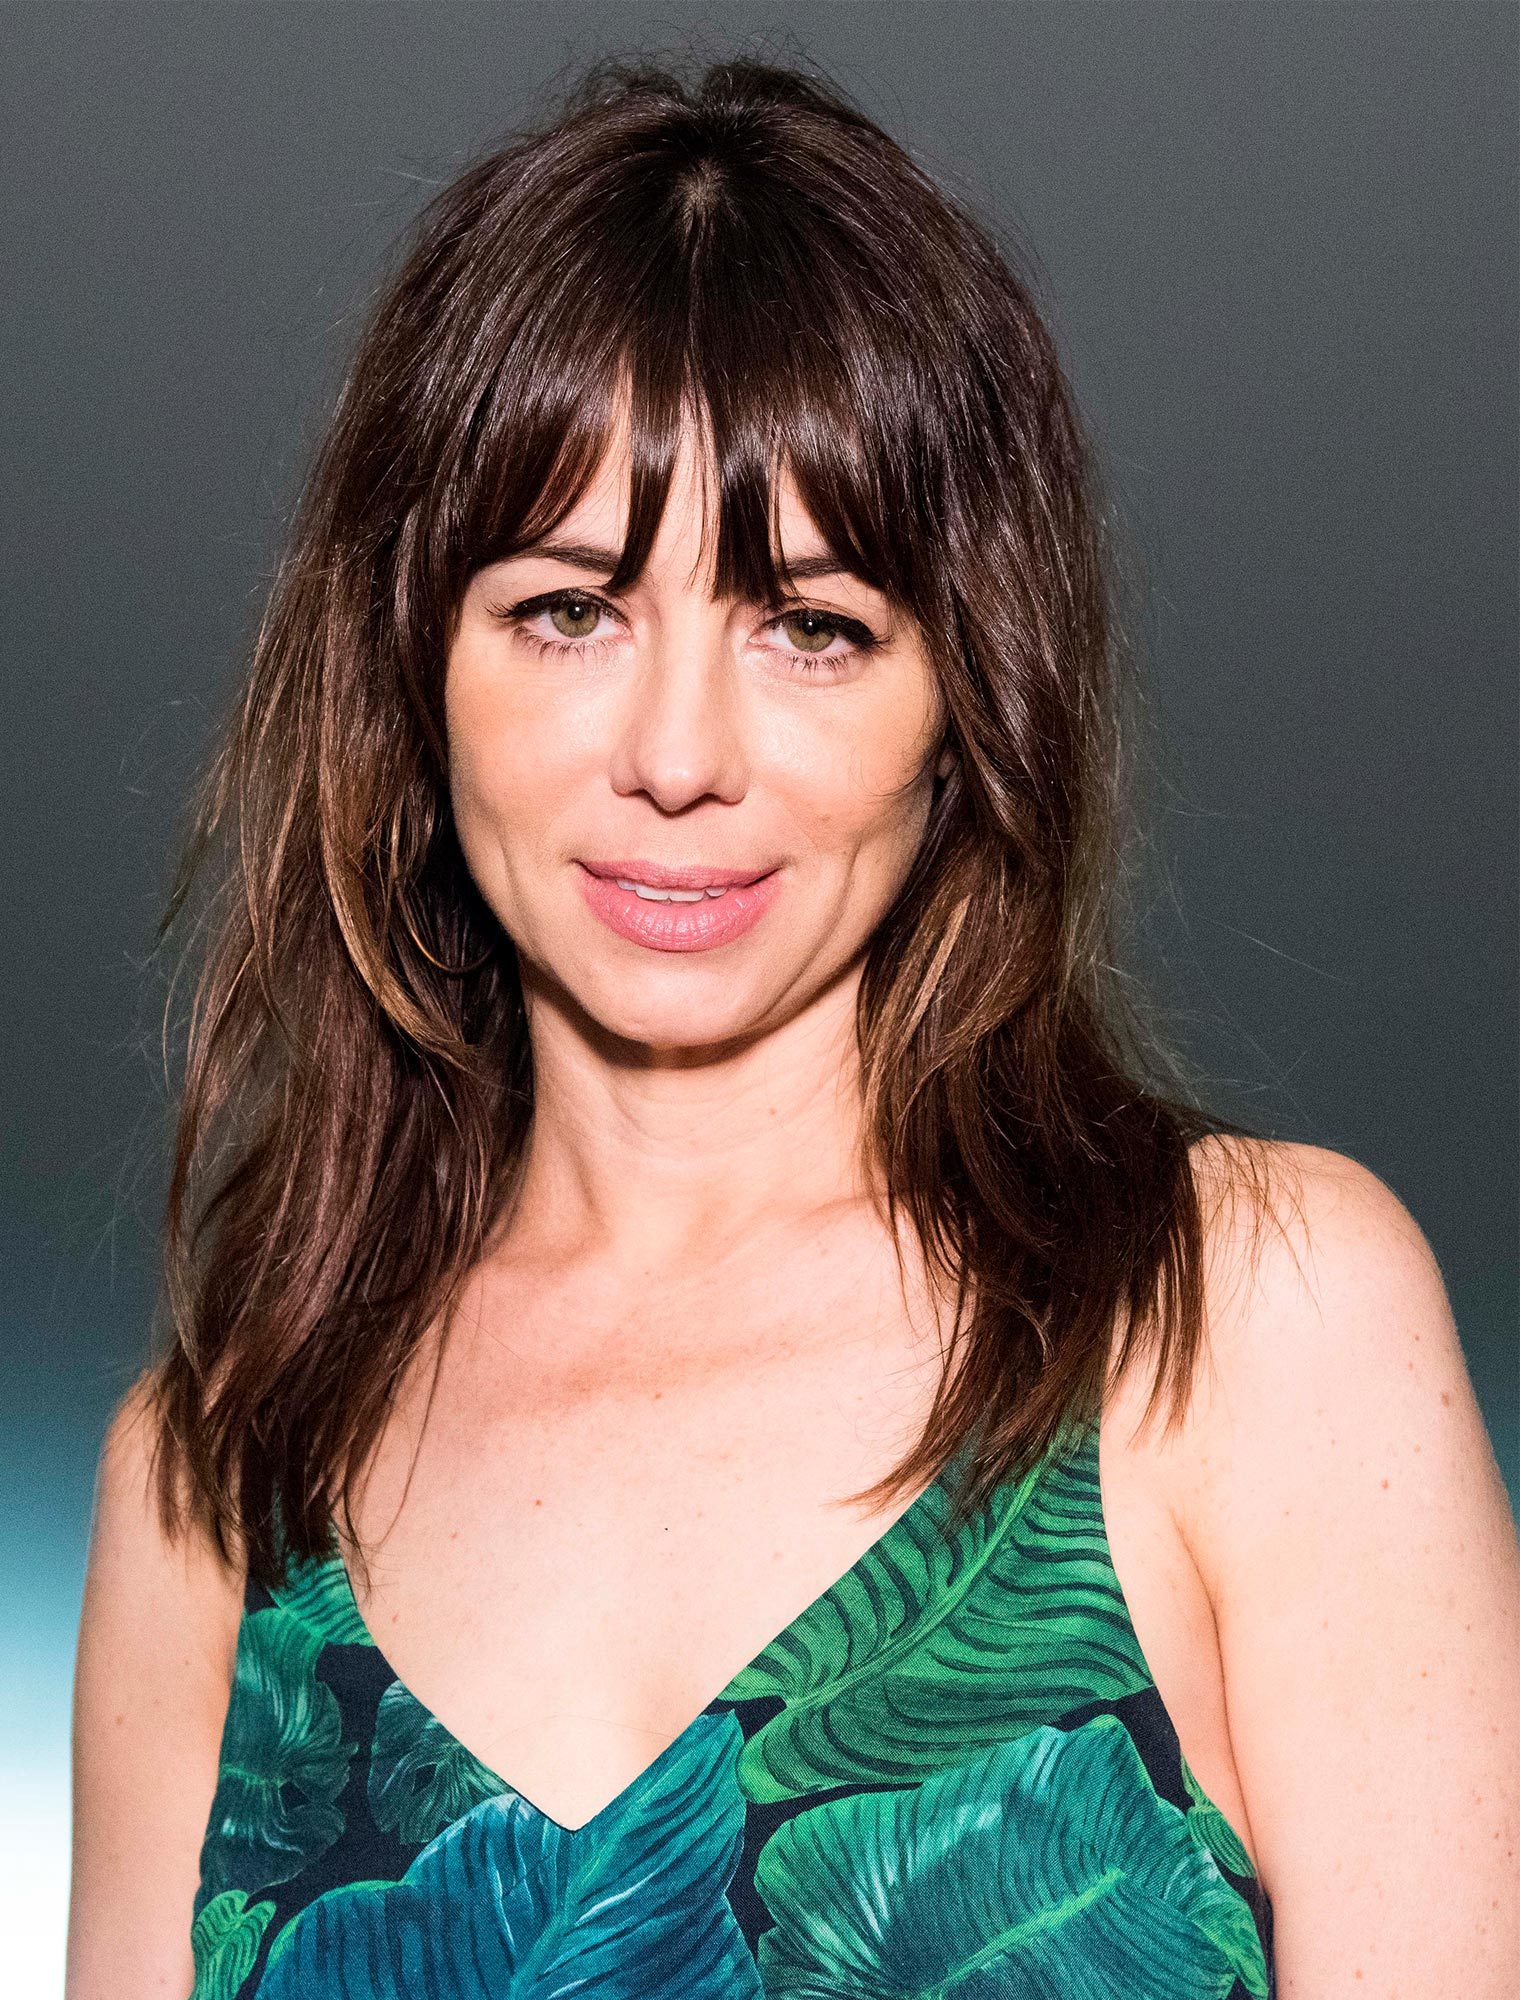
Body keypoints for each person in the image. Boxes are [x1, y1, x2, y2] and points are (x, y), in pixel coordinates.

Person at [66, 51, 1518, 2000]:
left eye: (809, 623)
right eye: (570, 608)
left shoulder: (1247, 1325)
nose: (680, 757)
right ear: (413, 663)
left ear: (964, 701)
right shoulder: (215, 1477)